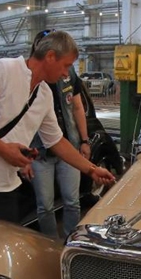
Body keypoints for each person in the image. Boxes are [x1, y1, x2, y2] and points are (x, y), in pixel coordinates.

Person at [0, 30, 114, 231]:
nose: (65, 73)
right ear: (50, 56)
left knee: (1, 255)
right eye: (66, 65)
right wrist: (3, 149)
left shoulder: (44, 94)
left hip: (7, 189)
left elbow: (57, 141)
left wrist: (92, 170)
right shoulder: (2, 70)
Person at [23, 30, 91, 238]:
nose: (65, 73)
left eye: (68, 67)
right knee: (45, 205)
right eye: (65, 66)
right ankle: (50, 243)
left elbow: (77, 108)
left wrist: (84, 140)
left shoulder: (63, 79)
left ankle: (70, 241)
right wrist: (22, 156)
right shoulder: (27, 83)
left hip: (67, 145)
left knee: (72, 201)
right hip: (39, 152)